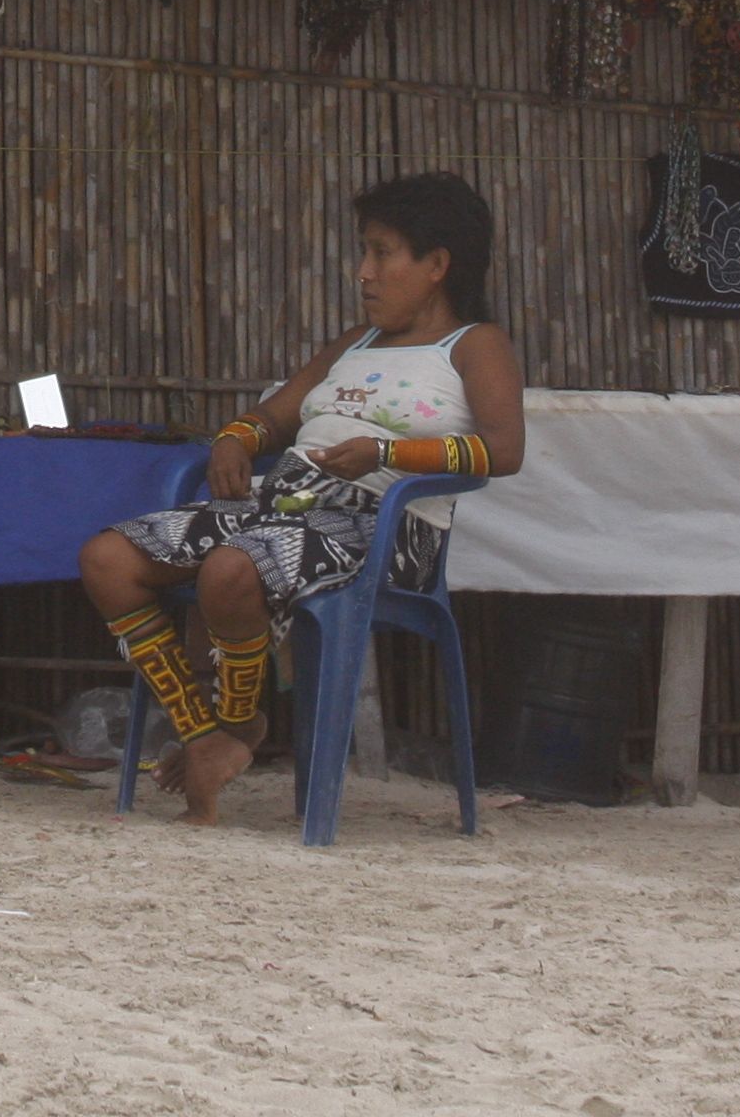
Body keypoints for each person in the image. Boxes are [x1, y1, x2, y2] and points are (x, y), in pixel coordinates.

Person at [78, 172, 525, 825]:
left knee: (233, 566)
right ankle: (208, 732)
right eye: (364, 252)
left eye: (381, 252)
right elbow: (276, 417)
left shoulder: (476, 345)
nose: (363, 272)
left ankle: (236, 728)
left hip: (383, 528)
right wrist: (235, 438)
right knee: (106, 558)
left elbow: (502, 450)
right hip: (282, 506)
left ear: (436, 265)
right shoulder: (354, 343)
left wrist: (389, 454)